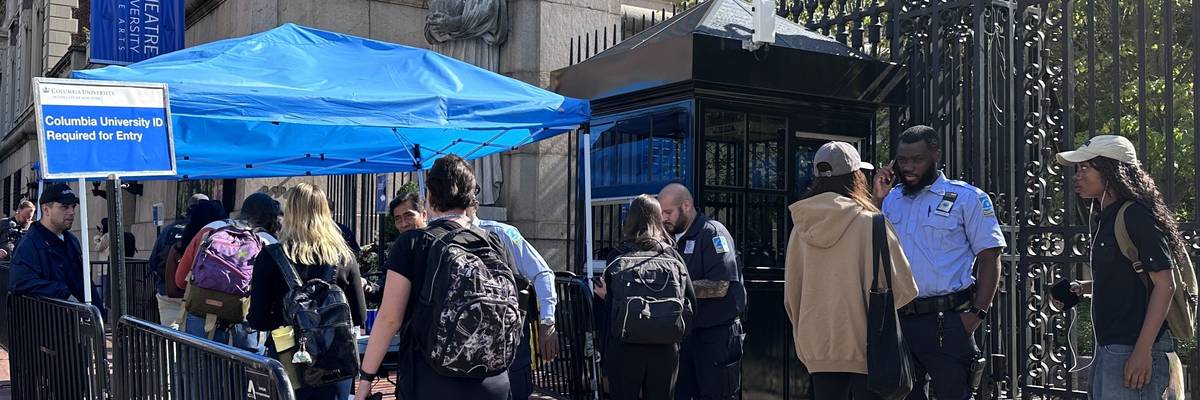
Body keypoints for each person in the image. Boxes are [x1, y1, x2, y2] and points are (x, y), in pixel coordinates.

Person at [356, 154, 514, 400]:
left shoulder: (413, 243)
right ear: (470, 195)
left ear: (429, 196)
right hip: (494, 379)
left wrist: (365, 379)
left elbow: (389, 319)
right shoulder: (492, 242)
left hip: (434, 378)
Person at [871, 125, 1005, 400]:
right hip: (900, 322)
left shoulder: (968, 198)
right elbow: (868, 247)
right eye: (902, 160)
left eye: (917, 159)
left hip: (948, 322)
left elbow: (990, 259)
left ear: (936, 156)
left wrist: (976, 315)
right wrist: (876, 198)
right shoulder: (890, 199)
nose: (908, 167)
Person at [784, 142, 919, 399]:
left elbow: (791, 299)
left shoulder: (799, 228)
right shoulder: (872, 223)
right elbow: (903, 291)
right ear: (856, 176)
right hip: (869, 350)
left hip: (818, 351)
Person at [1052, 135, 1184, 398]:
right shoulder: (1104, 216)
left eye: (1085, 168)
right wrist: (1084, 287)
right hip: (1110, 349)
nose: (1077, 176)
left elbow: (1165, 285)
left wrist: (1142, 351)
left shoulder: (1135, 215)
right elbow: (1129, 275)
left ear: (1112, 171)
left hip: (1133, 349)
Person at [248, 183, 367, 400]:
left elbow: (258, 319)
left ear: (290, 212)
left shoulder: (271, 256)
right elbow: (359, 315)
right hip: (334, 359)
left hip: (288, 357)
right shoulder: (344, 257)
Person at [593, 194, 696, 400]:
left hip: (625, 347)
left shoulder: (618, 255)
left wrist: (605, 297)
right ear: (658, 220)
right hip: (665, 347)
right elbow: (690, 302)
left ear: (629, 220)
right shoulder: (672, 255)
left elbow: (605, 313)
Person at [657, 183, 747, 400]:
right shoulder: (671, 239)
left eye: (668, 212)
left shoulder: (713, 233)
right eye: (661, 213)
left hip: (716, 337)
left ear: (686, 206)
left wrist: (675, 290)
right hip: (687, 334)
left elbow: (721, 285)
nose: (664, 219)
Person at [468, 205, 560, 399]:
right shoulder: (441, 236)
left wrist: (547, 323)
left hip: (510, 343)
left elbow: (542, 273)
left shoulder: (502, 233)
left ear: (474, 203)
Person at [173, 193, 282, 351]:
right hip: (244, 327)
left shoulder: (211, 229)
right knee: (244, 374)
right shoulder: (269, 242)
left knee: (199, 373)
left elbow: (180, 279)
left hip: (201, 321)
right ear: (270, 219)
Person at [9, 183, 101, 306]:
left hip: (76, 318)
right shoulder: (29, 243)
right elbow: (21, 282)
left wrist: (98, 309)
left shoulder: (72, 240)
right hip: (46, 320)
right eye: (64, 207)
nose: (72, 212)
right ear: (46, 210)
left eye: (73, 206)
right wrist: (66, 296)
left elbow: (83, 281)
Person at [148, 193, 209, 326]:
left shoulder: (168, 230)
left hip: (167, 294)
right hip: (196, 295)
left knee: (170, 340)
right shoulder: (208, 231)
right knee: (195, 341)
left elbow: (153, 263)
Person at [164, 201, 228, 300]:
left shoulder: (179, 247)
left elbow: (178, 284)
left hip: (186, 304)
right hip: (222, 304)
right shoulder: (229, 248)